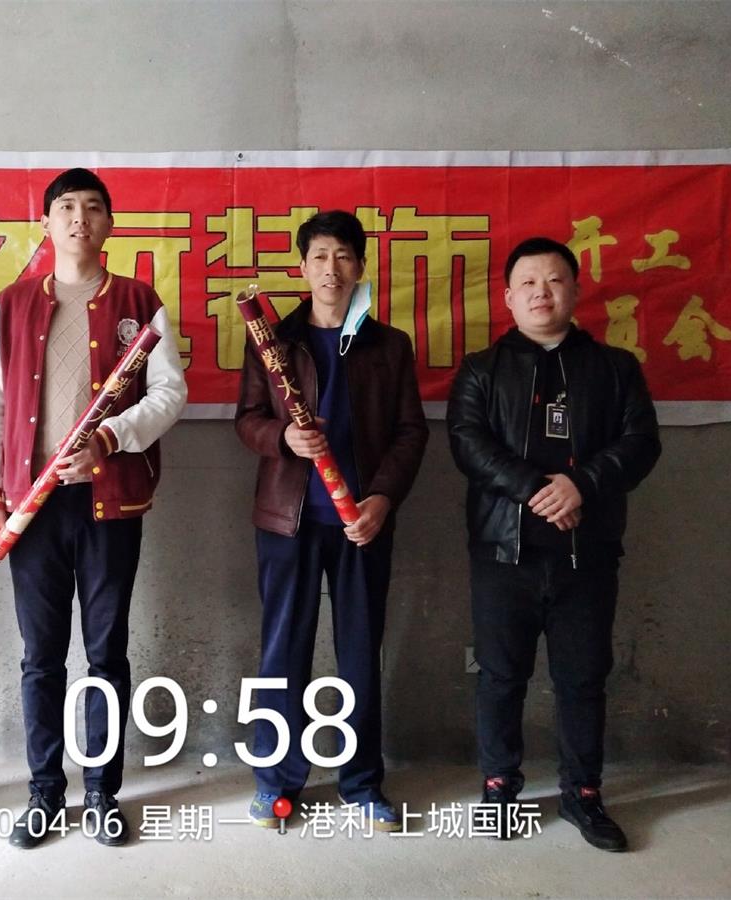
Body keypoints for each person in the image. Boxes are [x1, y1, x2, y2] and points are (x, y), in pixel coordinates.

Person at [0, 168, 187, 848]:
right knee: (40, 656)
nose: (79, 219)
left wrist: (110, 438)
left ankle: (101, 791)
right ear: (45, 223)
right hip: (30, 509)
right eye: (65, 207)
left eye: (93, 208)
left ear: (109, 224)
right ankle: (43, 791)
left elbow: (169, 392)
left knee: (105, 653)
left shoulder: (138, 301)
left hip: (109, 503)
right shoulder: (11, 305)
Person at [446, 236, 661, 850]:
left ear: (575, 290)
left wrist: (581, 485)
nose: (542, 292)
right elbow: (468, 443)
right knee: (499, 676)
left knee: (583, 678)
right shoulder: (481, 369)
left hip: (587, 554)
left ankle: (583, 794)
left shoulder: (615, 368)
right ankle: (499, 788)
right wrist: (538, 489)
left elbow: (641, 443)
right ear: (509, 298)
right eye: (529, 283)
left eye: (555, 280)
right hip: (502, 553)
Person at [234, 210, 428, 830]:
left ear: (361, 267)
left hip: (361, 524)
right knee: (282, 650)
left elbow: (410, 433)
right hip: (286, 521)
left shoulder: (389, 346)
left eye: (344, 256)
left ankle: (362, 782)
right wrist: (283, 438)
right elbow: (247, 419)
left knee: (359, 653)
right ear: (302, 268)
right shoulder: (273, 341)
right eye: (319, 256)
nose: (331, 268)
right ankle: (275, 781)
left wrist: (383, 500)